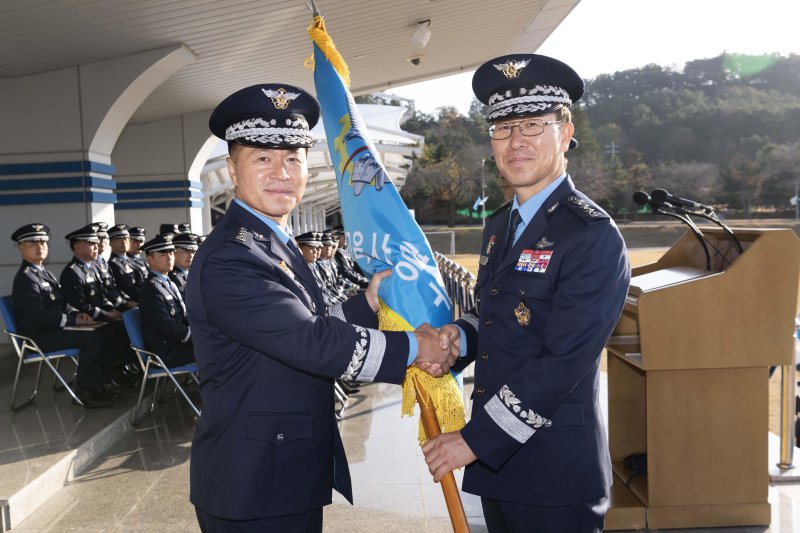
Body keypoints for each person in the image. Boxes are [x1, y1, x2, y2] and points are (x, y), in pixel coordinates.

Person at [186, 83, 457, 532]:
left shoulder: (270, 241)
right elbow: (309, 341)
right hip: (253, 484)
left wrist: (366, 303)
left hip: (279, 469)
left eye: (293, 158)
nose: (281, 172)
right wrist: (414, 347)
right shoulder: (232, 257)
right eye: (262, 158)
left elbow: (303, 324)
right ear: (233, 170)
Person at [421, 54, 631, 533]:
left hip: (553, 475)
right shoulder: (500, 225)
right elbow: (495, 316)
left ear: (565, 130)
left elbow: (564, 360)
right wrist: (456, 339)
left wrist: (474, 440)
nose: (516, 142)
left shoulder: (592, 234)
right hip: (500, 471)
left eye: (533, 125)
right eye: (503, 127)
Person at [10, 223, 118, 408]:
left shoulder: (44, 273)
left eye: (43, 242)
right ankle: (85, 392)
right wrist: (72, 321)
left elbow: (62, 303)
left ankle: (97, 385)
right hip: (39, 335)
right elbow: (39, 316)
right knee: (93, 339)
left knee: (105, 331)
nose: (40, 247)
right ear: (21, 248)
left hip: (54, 328)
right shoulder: (25, 279)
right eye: (33, 243)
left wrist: (78, 314)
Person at [138, 234, 194, 366]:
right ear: (150, 259)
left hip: (177, 343)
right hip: (165, 351)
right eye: (163, 254)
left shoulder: (169, 283)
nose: (169, 258)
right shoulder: (151, 288)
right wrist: (193, 334)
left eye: (171, 253)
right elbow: (165, 325)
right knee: (214, 348)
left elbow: (183, 315)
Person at [108, 224, 142, 301]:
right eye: (119, 239)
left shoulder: (132, 260)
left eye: (126, 238)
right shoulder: (112, 264)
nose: (123, 242)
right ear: (110, 243)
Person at [332, 225, 369, 289]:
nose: (346, 238)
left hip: (354, 280)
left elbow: (355, 267)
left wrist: (366, 277)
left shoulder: (345, 250)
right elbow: (346, 272)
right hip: (348, 284)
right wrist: (362, 280)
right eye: (343, 236)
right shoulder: (336, 253)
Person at [170, 232, 199, 299]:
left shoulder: (193, 273)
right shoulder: (172, 277)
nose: (191, 255)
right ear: (174, 252)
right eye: (186, 251)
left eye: (193, 251)